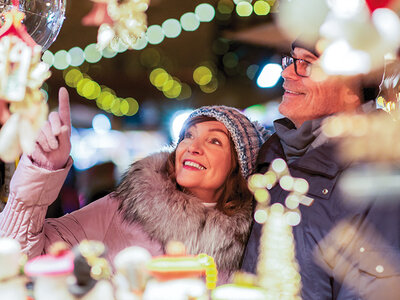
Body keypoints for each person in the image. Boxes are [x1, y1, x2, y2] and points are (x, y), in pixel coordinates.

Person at [0, 87, 269, 282]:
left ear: (239, 166)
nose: (192, 147)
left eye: (214, 141)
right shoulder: (125, 208)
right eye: (188, 136)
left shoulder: (253, 240)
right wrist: (42, 170)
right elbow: (18, 258)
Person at [241, 41, 400, 299]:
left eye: (307, 64)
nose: (287, 73)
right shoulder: (269, 155)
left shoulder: (380, 173)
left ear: (353, 86)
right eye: (291, 60)